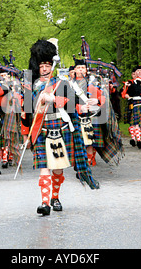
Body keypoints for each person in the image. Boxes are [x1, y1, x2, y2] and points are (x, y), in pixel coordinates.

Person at [22, 39, 99, 216]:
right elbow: (26, 112)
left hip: (60, 126)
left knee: (57, 167)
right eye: (42, 65)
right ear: (37, 66)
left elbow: (72, 105)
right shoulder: (29, 85)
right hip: (41, 128)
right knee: (44, 167)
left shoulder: (61, 83)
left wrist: (54, 99)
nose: (45, 68)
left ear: (52, 66)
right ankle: (44, 202)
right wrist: (25, 134)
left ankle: (54, 197)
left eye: (48, 65)